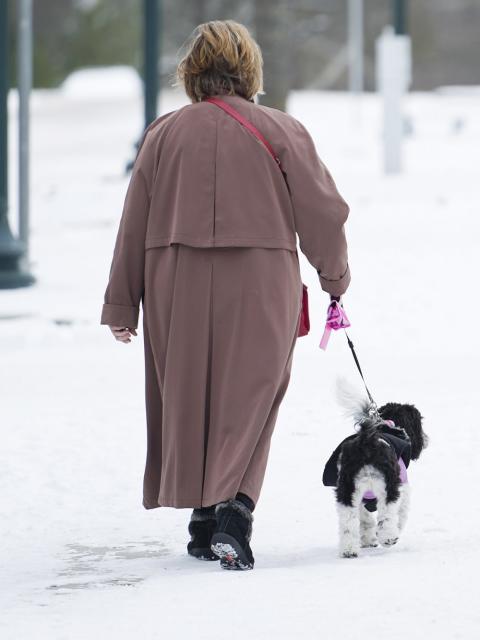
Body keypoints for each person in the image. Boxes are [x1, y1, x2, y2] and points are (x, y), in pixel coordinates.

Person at [100, 20, 351, 571]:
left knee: (188, 392)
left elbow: (133, 223)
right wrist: (334, 281)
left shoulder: (163, 134)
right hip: (260, 277)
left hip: (175, 278)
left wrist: (122, 304)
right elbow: (324, 214)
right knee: (252, 397)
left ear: (191, 72)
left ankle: (201, 517)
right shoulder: (282, 130)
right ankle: (233, 514)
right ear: (250, 70)